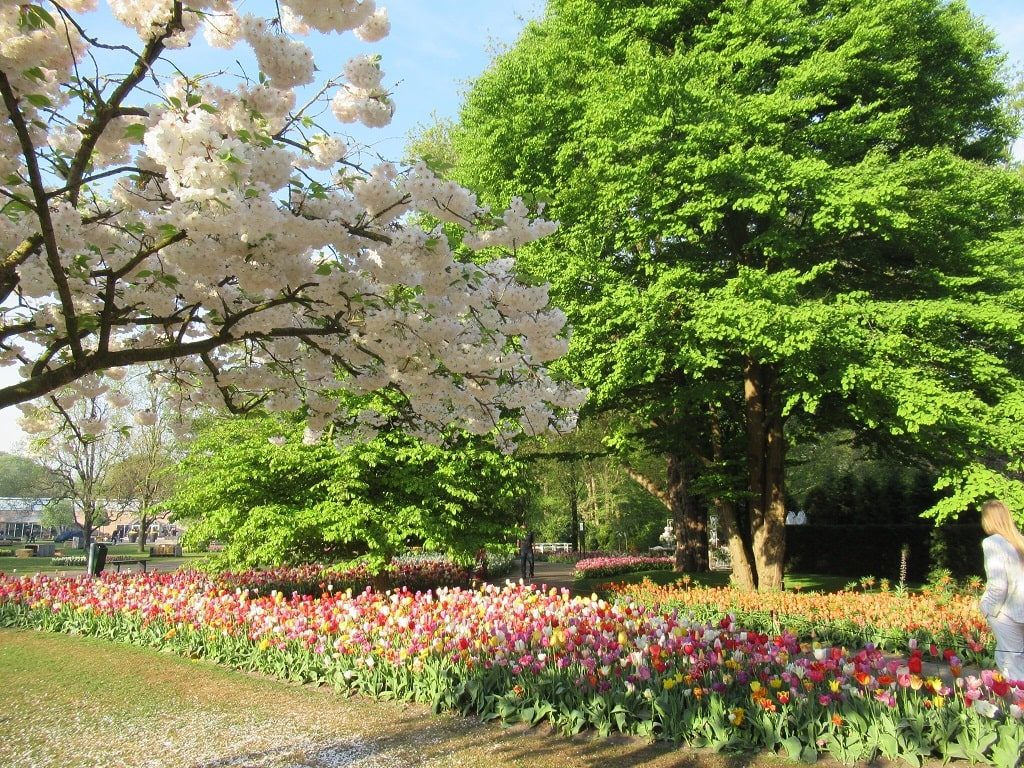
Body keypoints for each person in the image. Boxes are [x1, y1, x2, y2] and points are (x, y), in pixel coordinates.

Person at [979, 499, 1024, 681]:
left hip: (1007, 612)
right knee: (1011, 657)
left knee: (1011, 663)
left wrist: (987, 608)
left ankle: (1016, 706)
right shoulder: (1020, 540)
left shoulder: (993, 543)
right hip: (1020, 608)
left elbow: (998, 585)